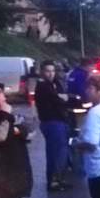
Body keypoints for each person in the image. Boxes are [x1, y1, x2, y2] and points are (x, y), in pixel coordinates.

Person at [34, 60, 73, 191]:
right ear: (42, 72)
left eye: (52, 71)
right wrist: (65, 98)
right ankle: (54, 181)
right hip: (52, 122)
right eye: (47, 71)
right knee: (56, 153)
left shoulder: (53, 84)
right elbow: (57, 100)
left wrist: (64, 96)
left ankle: (57, 179)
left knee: (58, 152)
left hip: (57, 121)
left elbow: (62, 97)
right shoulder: (43, 86)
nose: (50, 74)